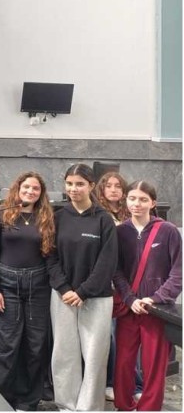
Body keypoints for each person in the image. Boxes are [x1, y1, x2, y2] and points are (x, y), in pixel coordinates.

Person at [47, 163, 118, 411]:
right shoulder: (58, 217)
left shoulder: (103, 219)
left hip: (96, 298)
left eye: (79, 184)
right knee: (63, 353)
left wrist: (83, 292)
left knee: (95, 355)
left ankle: (89, 407)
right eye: (69, 184)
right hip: (63, 296)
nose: (73, 189)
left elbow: (107, 261)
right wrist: (64, 288)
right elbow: (50, 257)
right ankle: (66, 404)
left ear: (91, 186)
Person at [0, 171, 55, 411]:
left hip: (38, 286)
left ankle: (28, 400)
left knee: (36, 345)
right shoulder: (0, 215)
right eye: (26, 187)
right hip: (7, 285)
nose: (30, 191)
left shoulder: (46, 217)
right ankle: (2, 399)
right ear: (18, 188)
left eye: (35, 188)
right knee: (7, 345)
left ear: (41, 193)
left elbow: (50, 254)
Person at [113, 181, 182, 411]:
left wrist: (155, 298)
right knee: (123, 362)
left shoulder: (168, 231)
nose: (137, 203)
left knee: (154, 364)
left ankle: (149, 407)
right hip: (129, 308)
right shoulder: (120, 232)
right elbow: (116, 270)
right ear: (126, 200)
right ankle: (123, 405)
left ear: (153, 203)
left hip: (156, 310)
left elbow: (178, 272)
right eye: (132, 198)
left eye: (143, 199)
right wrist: (130, 299)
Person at [94, 171, 137, 402]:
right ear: (101, 189)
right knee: (109, 337)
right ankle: (110, 382)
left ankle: (132, 383)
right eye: (108, 185)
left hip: (130, 282)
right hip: (107, 283)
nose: (113, 190)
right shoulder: (98, 214)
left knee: (129, 337)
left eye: (118, 186)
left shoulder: (130, 212)